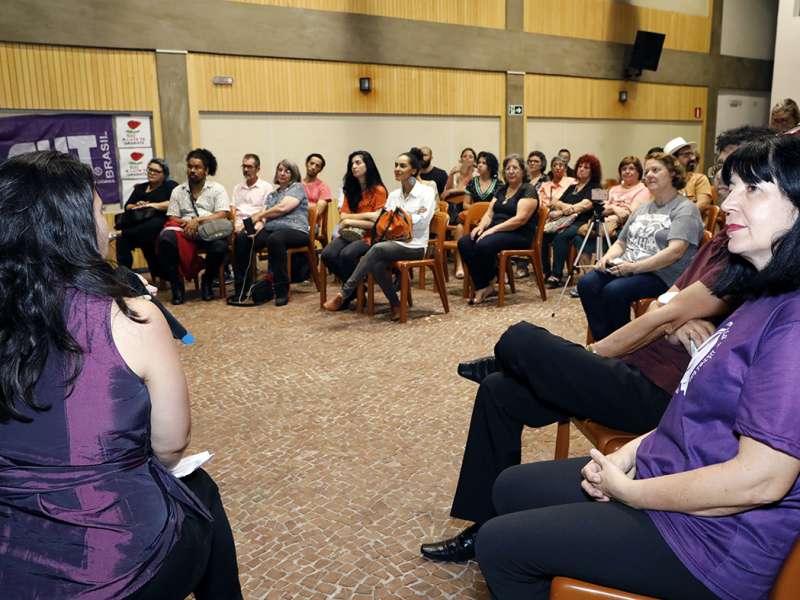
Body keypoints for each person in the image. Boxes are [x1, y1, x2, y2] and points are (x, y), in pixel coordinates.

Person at [418, 126, 776, 568]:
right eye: (726, 170)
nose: (726, 182)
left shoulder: (753, 254)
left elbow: (664, 312)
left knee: (520, 340)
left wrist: (603, 349)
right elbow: (668, 305)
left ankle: (512, 361)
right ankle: (482, 524)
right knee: (499, 393)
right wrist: (676, 319)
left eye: (745, 178)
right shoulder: (727, 241)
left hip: (659, 395)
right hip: (639, 367)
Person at [0, 151, 242, 599]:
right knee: (199, 491)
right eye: (98, 213)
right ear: (70, 228)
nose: (109, 228)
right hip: (116, 564)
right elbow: (170, 445)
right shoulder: (131, 317)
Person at [578, 152, 703, 340]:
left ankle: (623, 346)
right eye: (646, 171)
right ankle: (604, 341)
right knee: (587, 284)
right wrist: (606, 257)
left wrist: (634, 267)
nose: (649, 175)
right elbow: (621, 241)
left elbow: (675, 252)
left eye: (656, 170)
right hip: (630, 267)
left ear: (673, 174)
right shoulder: (643, 208)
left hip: (662, 274)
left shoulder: (685, 208)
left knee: (614, 291)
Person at [323, 147, 436, 319]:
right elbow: (383, 222)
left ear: (413, 170)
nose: (397, 169)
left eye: (403, 166)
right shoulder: (394, 195)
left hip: (415, 245)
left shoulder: (426, 192)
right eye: (396, 165)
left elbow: (422, 220)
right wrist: (401, 220)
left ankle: (344, 293)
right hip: (391, 242)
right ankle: (396, 305)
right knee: (375, 262)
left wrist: (397, 220)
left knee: (375, 250)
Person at [458, 154, 539, 305]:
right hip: (497, 231)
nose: (511, 171)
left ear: (522, 171)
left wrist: (492, 230)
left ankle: (490, 279)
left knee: (484, 244)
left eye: (515, 168)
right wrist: (481, 226)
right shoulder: (502, 190)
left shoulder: (528, 190)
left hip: (519, 233)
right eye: (508, 168)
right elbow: (489, 213)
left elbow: (519, 220)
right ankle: (483, 285)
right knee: (465, 242)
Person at [232, 159, 309, 307]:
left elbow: (283, 208)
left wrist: (259, 216)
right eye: (280, 170)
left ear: (294, 174)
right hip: (272, 229)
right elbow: (265, 220)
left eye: (287, 171)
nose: (282, 173)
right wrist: (256, 230)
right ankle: (242, 289)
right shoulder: (272, 195)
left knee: (275, 239)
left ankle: (281, 290)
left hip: (296, 229)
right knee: (242, 239)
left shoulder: (297, 187)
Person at [159, 148, 230, 304]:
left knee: (219, 247)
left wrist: (197, 221)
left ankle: (207, 280)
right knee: (165, 239)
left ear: (206, 170)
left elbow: (223, 214)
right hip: (183, 231)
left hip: (208, 231)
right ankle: (177, 285)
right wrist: (187, 224)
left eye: (197, 167)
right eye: (190, 166)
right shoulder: (178, 191)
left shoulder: (217, 189)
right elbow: (172, 216)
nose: (192, 170)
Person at [319, 150, 387, 300]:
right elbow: (344, 216)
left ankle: (349, 293)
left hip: (371, 236)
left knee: (347, 255)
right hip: (350, 233)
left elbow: (377, 220)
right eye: (352, 164)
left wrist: (351, 220)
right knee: (327, 255)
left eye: (358, 163)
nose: (354, 167)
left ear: (367, 165)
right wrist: (362, 218)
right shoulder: (350, 189)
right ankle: (356, 290)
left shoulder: (378, 190)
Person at [541, 154, 602, 287]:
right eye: (580, 166)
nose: (581, 169)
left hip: (584, 222)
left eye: (586, 167)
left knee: (561, 237)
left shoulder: (598, 188)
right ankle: (546, 272)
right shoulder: (573, 186)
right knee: (543, 235)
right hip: (565, 219)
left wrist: (564, 208)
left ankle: (556, 276)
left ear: (593, 171)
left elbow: (586, 205)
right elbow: (555, 202)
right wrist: (569, 209)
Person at [114, 157, 178, 278]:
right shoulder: (141, 188)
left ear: (164, 174)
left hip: (160, 223)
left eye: (156, 171)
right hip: (140, 225)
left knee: (152, 226)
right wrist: (137, 205)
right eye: (149, 170)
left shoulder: (170, 186)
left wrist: (151, 205)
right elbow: (128, 206)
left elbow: (173, 203)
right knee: (122, 242)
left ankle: (123, 233)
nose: (151, 173)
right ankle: (125, 277)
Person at [458, 151, 501, 280]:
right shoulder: (472, 182)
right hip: (473, 220)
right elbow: (465, 204)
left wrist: (485, 214)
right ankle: (467, 268)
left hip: (491, 221)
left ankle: (496, 270)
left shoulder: (499, 184)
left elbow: (498, 206)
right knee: (463, 234)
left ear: (491, 166)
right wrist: (477, 210)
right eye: (479, 162)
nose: (480, 165)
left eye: (484, 163)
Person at [664, 136, 713, 211]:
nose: (693, 158)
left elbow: (703, 204)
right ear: (674, 159)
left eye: (692, 154)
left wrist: (681, 215)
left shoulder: (699, 179)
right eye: (686, 155)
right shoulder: (665, 181)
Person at [231, 153, 272, 232]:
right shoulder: (237, 188)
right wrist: (233, 224)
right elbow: (233, 208)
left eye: (249, 167)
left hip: (254, 223)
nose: (246, 170)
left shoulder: (266, 187)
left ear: (258, 169)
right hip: (237, 224)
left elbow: (265, 211)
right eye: (244, 166)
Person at [442, 146, 477, 225]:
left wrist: (454, 191)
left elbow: (472, 191)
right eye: (465, 156)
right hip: (453, 205)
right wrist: (451, 174)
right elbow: (446, 191)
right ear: (461, 160)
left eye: (471, 157)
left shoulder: (477, 174)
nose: (467, 158)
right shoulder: (456, 172)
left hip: (468, 204)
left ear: (474, 161)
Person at [302, 152, 333, 216]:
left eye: (317, 166)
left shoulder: (323, 187)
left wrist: (296, 205)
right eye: (311, 163)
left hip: (310, 223)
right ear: (306, 164)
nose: (313, 167)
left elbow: (317, 211)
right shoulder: (296, 184)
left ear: (320, 170)